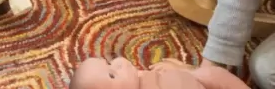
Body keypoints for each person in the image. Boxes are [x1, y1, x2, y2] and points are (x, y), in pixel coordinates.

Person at [70, 57, 249, 89]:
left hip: (192, 81)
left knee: (214, 74)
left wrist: (172, 73)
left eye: (108, 62)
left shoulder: (136, 77)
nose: (117, 64)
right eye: (112, 75)